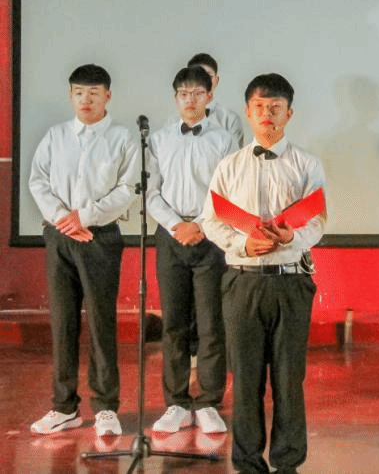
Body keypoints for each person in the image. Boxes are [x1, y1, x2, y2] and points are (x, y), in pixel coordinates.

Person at [201, 73, 326, 474]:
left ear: (289, 113)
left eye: (275, 107)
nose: (267, 113)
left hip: (291, 279)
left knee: (289, 379)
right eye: (259, 107)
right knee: (246, 378)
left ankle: (287, 462)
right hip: (243, 280)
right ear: (247, 112)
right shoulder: (229, 166)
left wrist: (293, 237)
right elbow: (210, 221)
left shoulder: (307, 164)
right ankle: (248, 462)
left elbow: (318, 221)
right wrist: (242, 245)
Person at [28, 64, 141, 437]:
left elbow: (127, 188)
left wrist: (85, 217)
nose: (85, 100)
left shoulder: (122, 138)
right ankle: (64, 407)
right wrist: (64, 219)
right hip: (59, 236)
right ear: (70, 96)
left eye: (93, 93)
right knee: (63, 322)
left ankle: (106, 407)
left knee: (101, 321)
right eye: (79, 93)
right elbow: (38, 180)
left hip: (100, 237)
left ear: (108, 96)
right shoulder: (56, 136)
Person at [146, 66, 236, 434]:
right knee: (174, 323)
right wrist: (176, 225)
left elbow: (227, 190)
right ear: (175, 98)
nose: (190, 100)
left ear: (209, 96)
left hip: (210, 235)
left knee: (212, 323)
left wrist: (200, 224)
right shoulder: (159, 139)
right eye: (183, 94)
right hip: (171, 236)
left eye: (197, 93)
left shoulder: (225, 140)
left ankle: (209, 401)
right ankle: (177, 402)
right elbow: (151, 192)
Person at [187, 52, 246, 148]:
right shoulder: (174, 122)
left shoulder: (230, 120)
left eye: (208, 76)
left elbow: (235, 156)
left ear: (216, 80)